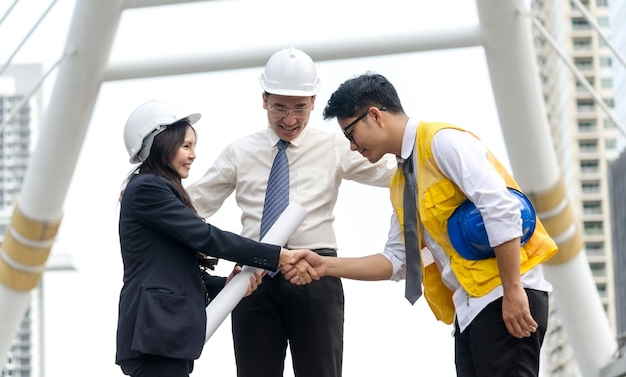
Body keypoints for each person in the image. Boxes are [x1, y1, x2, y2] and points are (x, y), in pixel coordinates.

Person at [285, 72, 559, 376]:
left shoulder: (443, 142)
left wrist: (512, 290)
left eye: (351, 134)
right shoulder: (402, 182)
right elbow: (398, 261)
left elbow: (501, 209)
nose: (352, 146)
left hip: (502, 295)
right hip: (469, 310)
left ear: (374, 116)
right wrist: (324, 265)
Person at [186, 48, 395, 377]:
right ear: (264, 100)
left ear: (313, 101)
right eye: (280, 107)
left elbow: (396, 173)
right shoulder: (240, 152)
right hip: (253, 275)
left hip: (316, 270)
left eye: (299, 108)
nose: (290, 119)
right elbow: (192, 203)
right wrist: (147, 191)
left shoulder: (336, 147)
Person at [115, 99, 313, 377]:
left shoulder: (154, 191)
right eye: (186, 146)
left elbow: (173, 266)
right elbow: (204, 237)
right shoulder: (148, 188)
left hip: (164, 335)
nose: (193, 154)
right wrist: (273, 254)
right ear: (160, 144)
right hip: (155, 331)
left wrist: (224, 285)